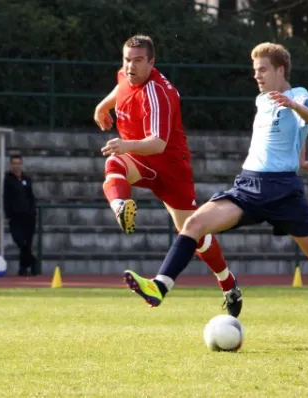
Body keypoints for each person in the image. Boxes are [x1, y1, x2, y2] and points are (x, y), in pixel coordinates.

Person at [123, 42, 308, 331]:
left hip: (284, 192)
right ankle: (160, 286)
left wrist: (293, 105)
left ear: (280, 70)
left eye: (263, 70)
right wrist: (302, 161)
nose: (257, 76)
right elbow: (292, 137)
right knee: (193, 224)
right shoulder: (261, 100)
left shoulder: (298, 94)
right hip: (249, 186)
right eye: (255, 71)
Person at [94, 34, 247, 317]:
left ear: (152, 63)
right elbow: (121, 87)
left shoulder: (158, 93)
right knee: (114, 164)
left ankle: (228, 282)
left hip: (170, 168)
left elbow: (158, 143)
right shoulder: (127, 75)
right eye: (127, 59)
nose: (131, 66)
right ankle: (120, 207)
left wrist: (125, 144)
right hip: (140, 161)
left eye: (138, 61)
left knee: (194, 232)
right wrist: (103, 106)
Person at [3, 155, 38, 276]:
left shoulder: (26, 179)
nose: (16, 166)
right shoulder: (8, 179)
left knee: (27, 242)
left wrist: (33, 211)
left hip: (28, 216)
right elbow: (6, 197)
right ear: (11, 165)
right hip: (15, 216)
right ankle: (32, 261)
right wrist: (8, 213)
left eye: (18, 163)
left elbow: (31, 196)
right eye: (14, 163)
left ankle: (23, 268)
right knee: (19, 241)